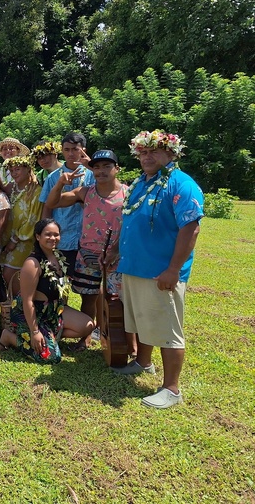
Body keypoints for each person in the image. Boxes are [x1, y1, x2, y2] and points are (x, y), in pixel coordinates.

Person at [114, 130, 204, 409]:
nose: (147, 156)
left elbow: (191, 227)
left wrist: (173, 269)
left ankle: (172, 388)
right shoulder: (142, 182)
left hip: (160, 271)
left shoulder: (181, 183)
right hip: (134, 266)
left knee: (167, 329)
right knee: (142, 320)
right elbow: (129, 219)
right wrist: (116, 252)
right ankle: (143, 362)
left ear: (172, 153)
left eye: (154, 151)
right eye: (143, 151)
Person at [44, 149, 130, 351]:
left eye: (107, 166)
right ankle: (87, 336)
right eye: (97, 167)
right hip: (88, 254)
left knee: (118, 300)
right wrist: (60, 183)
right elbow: (52, 202)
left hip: (118, 256)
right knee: (88, 296)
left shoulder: (128, 193)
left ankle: (116, 338)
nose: (101, 171)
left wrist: (116, 249)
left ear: (117, 169)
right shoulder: (86, 192)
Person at [0, 219, 95, 363]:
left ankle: (49, 337)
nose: (53, 238)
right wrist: (35, 331)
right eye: (48, 234)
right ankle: (9, 337)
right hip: (32, 313)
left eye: (56, 234)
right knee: (51, 357)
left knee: (88, 325)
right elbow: (27, 300)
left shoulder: (58, 257)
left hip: (53, 311)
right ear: (38, 237)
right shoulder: (32, 263)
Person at [40, 132, 95, 276]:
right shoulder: (53, 177)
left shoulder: (93, 174)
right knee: (60, 282)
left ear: (83, 150)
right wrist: (44, 236)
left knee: (90, 286)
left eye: (75, 149)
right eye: (67, 149)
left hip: (88, 239)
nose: (71, 153)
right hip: (62, 238)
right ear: (62, 151)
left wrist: (92, 167)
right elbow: (47, 207)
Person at [1, 155, 43, 294]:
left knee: (10, 274)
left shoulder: (36, 191)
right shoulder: (11, 189)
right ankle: (13, 306)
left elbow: (33, 219)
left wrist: (15, 239)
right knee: (5, 275)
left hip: (23, 240)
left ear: (28, 169)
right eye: (12, 170)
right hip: (6, 239)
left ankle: (22, 306)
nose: (14, 173)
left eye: (17, 169)